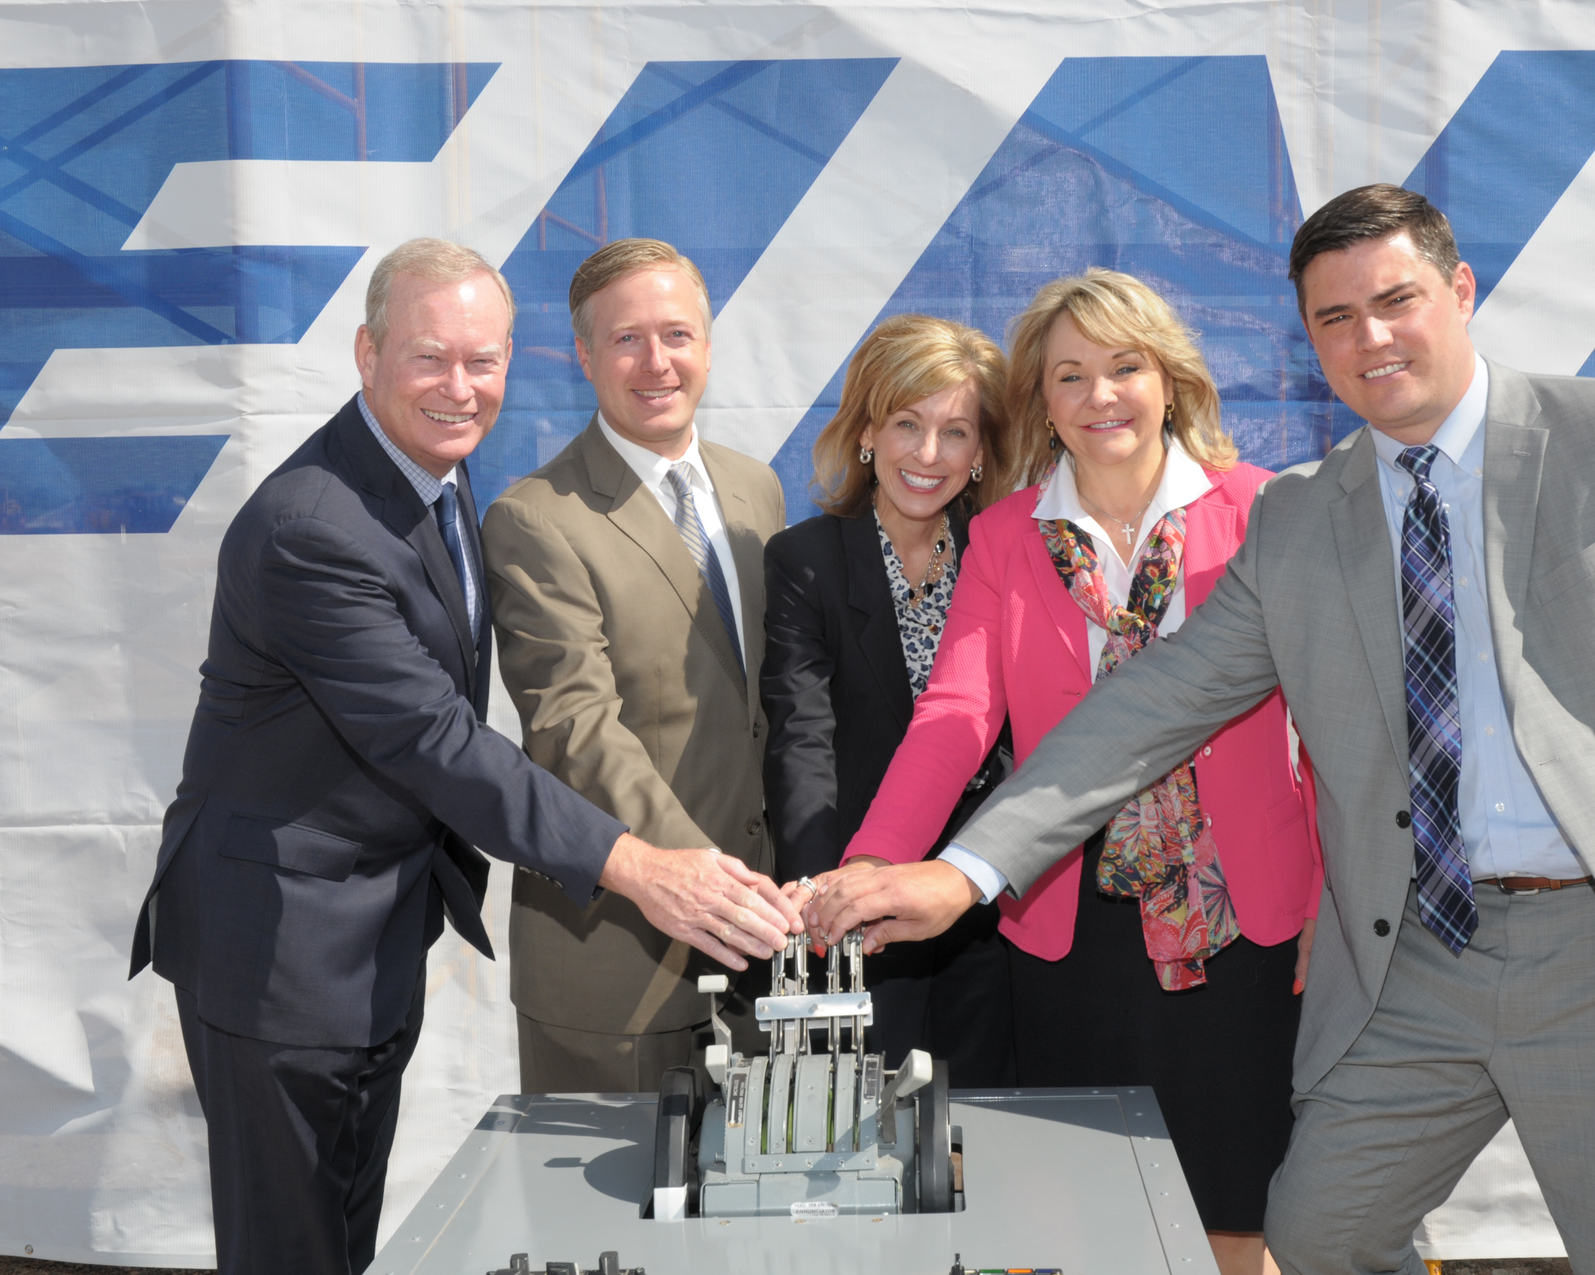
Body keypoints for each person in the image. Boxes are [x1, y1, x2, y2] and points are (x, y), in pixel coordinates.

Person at [808, 185, 1595, 1275]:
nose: (1372, 338)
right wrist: (963, 871)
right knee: (1317, 1234)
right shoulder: (1302, 514)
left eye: (1394, 301)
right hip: (1414, 966)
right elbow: (1152, 705)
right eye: (1335, 320)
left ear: (1460, 290)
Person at [128, 238, 799, 1275]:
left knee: (338, 1235)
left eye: (482, 362)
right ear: (366, 353)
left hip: (365, 940)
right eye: (430, 358)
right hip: (280, 949)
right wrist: (641, 865)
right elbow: (434, 741)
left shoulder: (430, 480)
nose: (460, 387)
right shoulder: (314, 526)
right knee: (289, 1250)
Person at [814, 270, 1322, 1275]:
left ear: (1169, 379)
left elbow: (1335, 722)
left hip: (1248, 924)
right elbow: (956, 718)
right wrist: (873, 866)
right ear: (1040, 405)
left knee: (1239, 1214)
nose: (1102, 397)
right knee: (1095, 1222)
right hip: (1070, 929)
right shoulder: (1005, 539)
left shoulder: (1265, 511)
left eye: (1125, 367)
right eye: (1071, 375)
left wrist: (1344, 907)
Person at [481, 238, 790, 1094]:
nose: (657, 362)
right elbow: (576, 728)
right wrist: (708, 882)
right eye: (626, 340)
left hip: (764, 948)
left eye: (677, 334)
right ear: (583, 354)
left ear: (709, 342)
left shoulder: (755, 488)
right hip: (616, 960)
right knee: (606, 1225)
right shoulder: (535, 519)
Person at [761, 314, 1018, 1086]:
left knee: (994, 1133)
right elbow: (800, 735)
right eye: (908, 423)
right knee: (861, 1131)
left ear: (981, 454)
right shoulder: (806, 560)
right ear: (868, 428)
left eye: (957, 431)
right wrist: (822, 893)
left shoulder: (1007, 552)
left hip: (991, 906)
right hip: (860, 908)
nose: (929, 455)